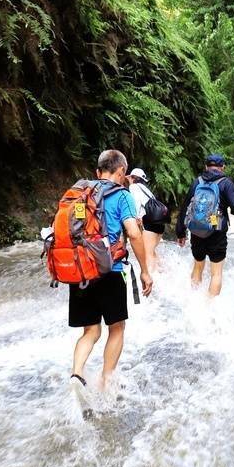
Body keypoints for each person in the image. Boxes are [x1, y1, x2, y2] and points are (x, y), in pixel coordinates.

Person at [70, 150, 154, 392]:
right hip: (111, 270)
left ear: (98, 172)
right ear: (121, 172)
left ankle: (77, 374)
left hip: (81, 270)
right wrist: (145, 270)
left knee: (90, 331)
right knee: (116, 328)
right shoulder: (122, 196)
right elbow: (135, 233)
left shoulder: (81, 194)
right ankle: (107, 381)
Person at [175, 153, 234, 297]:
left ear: (206, 166)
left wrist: (180, 232)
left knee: (198, 266)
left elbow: (185, 206)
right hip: (216, 223)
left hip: (197, 227)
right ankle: (209, 309)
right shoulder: (225, 182)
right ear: (222, 167)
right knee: (216, 273)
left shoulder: (197, 181)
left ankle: (193, 302)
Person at [127, 168, 164, 269]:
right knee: (151, 251)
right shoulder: (147, 190)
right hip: (159, 223)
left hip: (149, 223)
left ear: (133, 178)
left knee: (147, 254)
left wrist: (136, 218)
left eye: (130, 178)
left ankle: (152, 279)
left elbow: (136, 203)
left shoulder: (134, 187)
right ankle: (163, 272)